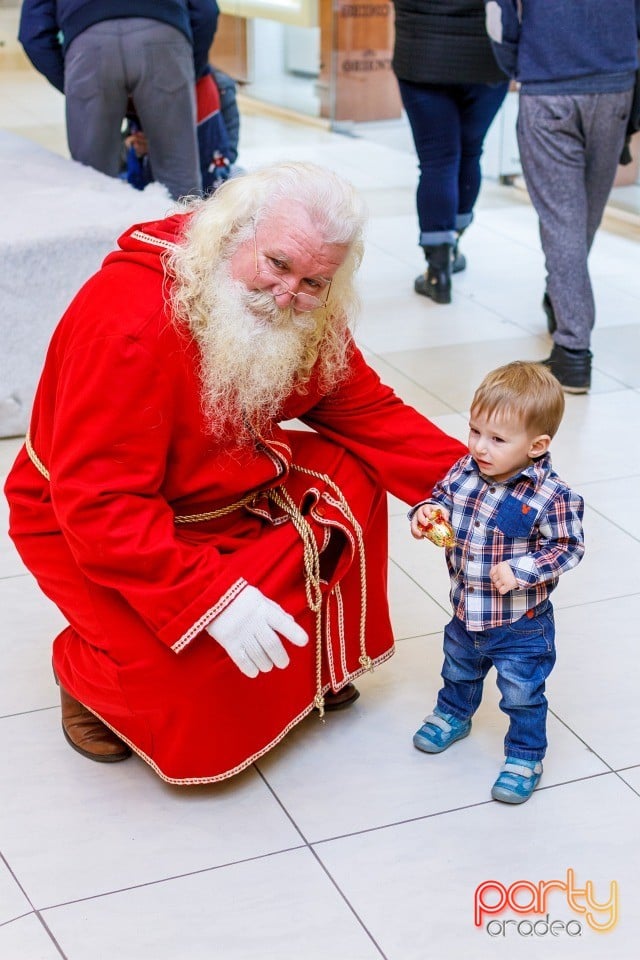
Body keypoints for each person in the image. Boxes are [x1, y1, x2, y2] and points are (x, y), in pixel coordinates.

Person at [4, 161, 466, 785]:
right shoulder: (129, 324)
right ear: (230, 234)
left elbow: (363, 407)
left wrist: (477, 485)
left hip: (226, 484)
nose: (288, 296)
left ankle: (309, 670)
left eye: (313, 281)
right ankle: (85, 675)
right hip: (91, 525)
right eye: (278, 265)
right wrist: (209, 601)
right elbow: (100, 504)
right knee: (189, 687)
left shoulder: (308, 306)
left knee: (351, 479)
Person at [409, 361, 584, 803]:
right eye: (475, 431)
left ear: (537, 445)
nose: (480, 447)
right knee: (458, 670)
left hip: (520, 624)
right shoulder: (464, 471)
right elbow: (440, 499)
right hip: (466, 609)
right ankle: (453, 714)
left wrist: (523, 569)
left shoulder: (552, 497)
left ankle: (525, 754)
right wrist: (426, 514)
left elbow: (568, 548)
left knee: (521, 693)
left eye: (497, 439)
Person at [485, 0, 640, 393]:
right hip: (616, 83)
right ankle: (562, 295)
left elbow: (498, 12)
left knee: (564, 219)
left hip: (549, 84)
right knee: (584, 213)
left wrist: (518, 64)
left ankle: (572, 352)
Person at [18, 0, 220, 200]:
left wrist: (73, 84)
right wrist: (186, 71)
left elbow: (32, 34)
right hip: (163, 36)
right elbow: (207, 11)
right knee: (179, 180)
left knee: (93, 181)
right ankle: (181, 230)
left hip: (88, 44)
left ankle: (98, 228)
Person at [392, 0, 508, 304]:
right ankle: (453, 243)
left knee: (437, 161)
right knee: (470, 152)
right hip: (486, 58)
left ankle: (437, 270)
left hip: (421, 54)